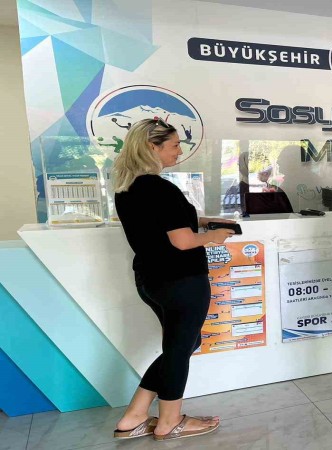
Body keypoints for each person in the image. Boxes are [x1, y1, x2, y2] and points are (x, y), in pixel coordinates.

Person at [111, 118, 236, 441]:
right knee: (180, 349)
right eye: (175, 145)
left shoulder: (128, 187)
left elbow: (159, 224)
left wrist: (202, 221)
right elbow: (182, 241)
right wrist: (214, 236)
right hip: (181, 280)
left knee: (183, 344)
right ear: (151, 147)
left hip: (151, 280)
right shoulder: (160, 188)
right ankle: (170, 421)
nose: (180, 152)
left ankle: (134, 416)